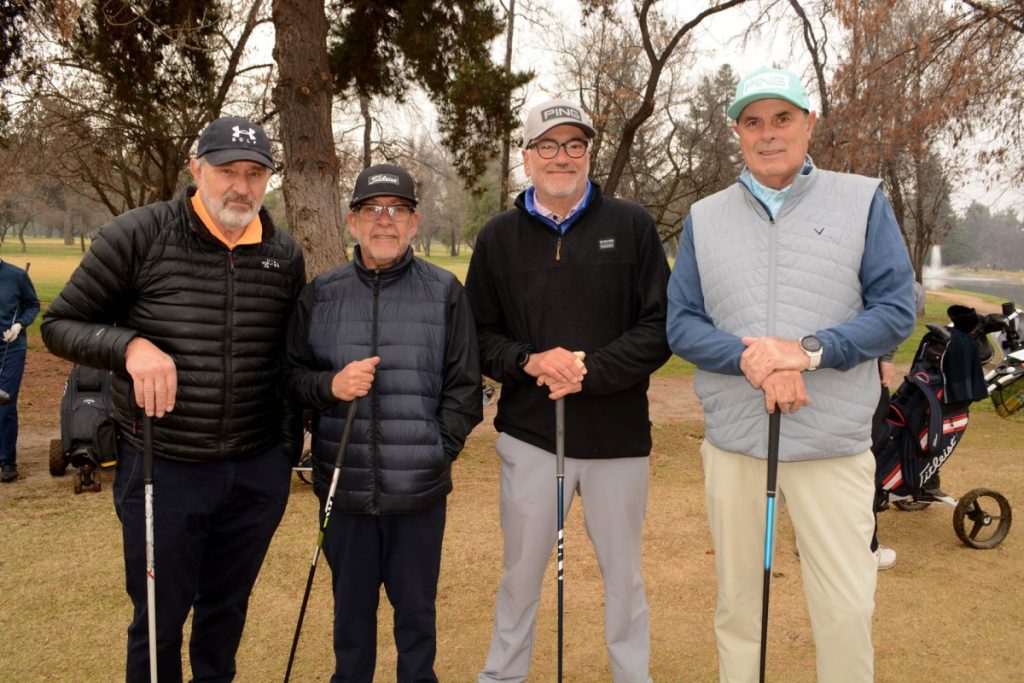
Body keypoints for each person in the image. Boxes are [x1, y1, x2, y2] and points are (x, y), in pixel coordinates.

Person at [666, 67, 916, 682]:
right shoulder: (704, 216)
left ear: (809, 123)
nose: (768, 133)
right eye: (753, 121)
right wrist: (751, 358)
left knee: (846, 608)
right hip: (736, 442)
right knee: (739, 609)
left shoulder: (862, 199)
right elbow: (682, 324)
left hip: (831, 442)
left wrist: (805, 353)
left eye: (783, 118)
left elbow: (895, 310)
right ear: (737, 132)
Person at [41, 115, 305, 682]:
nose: (241, 187)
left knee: (226, 613)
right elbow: (59, 325)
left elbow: (289, 358)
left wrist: (284, 452)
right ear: (196, 169)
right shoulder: (138, 234)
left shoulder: (284, 254)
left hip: (255, 468)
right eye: (227, 171)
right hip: (164, 465)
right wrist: (129, 345)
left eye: (255, 174)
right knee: (159, 620)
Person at [466, 98, 671, 683]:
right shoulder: (498, 237)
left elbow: (660, 328)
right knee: (520, 573)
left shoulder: (631, 226)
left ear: (588, 155)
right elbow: (477, 334)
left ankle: (632, 676)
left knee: (624, 577)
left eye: (575, 145)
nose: (563, 157)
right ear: (528, 157)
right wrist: (528, 361)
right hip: (532, 435)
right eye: (549, 146)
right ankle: (503, 676)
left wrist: (590, 371)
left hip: (617, 439)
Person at [282, 163, 482, 682]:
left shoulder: (445, 292)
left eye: (398, 210)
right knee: (350, 622)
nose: (385, 221)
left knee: (416, 619)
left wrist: (436, 451)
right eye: (372, 210)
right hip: (344, 492)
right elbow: (291, 379)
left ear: (414, 222)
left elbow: (465, 389)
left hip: (417, 496)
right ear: (353, 222)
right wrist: (330, 386)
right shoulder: (320, 294)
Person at [0, 258, 39, 483]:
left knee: (4, 401)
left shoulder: (17, 276)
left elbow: (32, 305)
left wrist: (19, 324)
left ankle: (7, 461)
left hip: (11, 347)